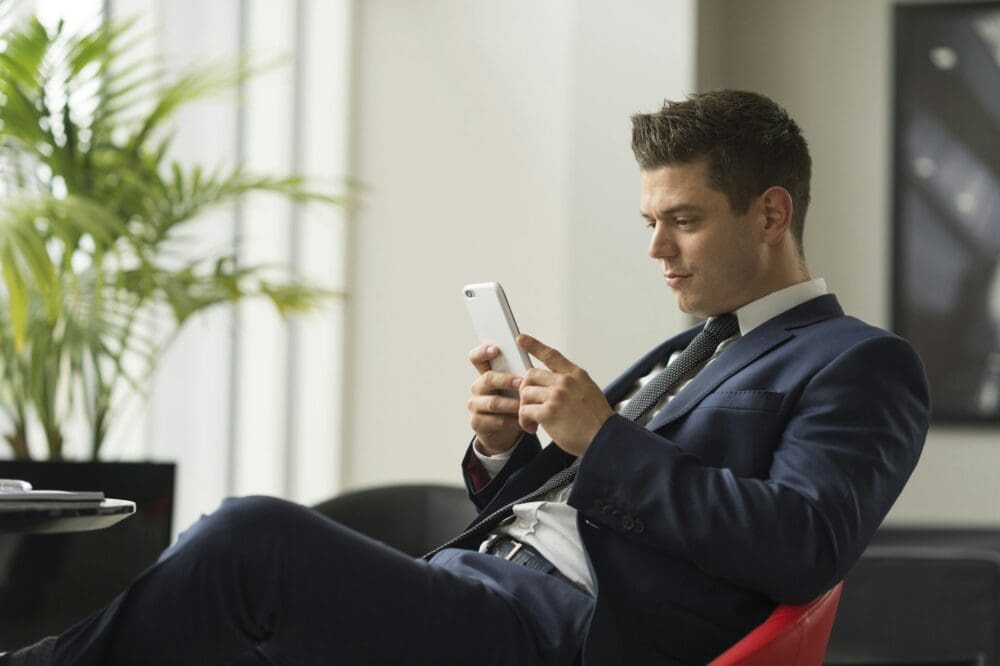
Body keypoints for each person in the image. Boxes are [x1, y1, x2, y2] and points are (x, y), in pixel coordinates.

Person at [1, 90, 930, 666]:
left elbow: (807, 541)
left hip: (561, 633)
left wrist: (604, 437)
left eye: (681, 220)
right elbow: (594, 491)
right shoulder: (691, 350)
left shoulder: (859, 363)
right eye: (649, 220)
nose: (655, 249)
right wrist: (506, 445)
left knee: (253, 539)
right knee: (222, 632)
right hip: (480, 588)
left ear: (771, 213)